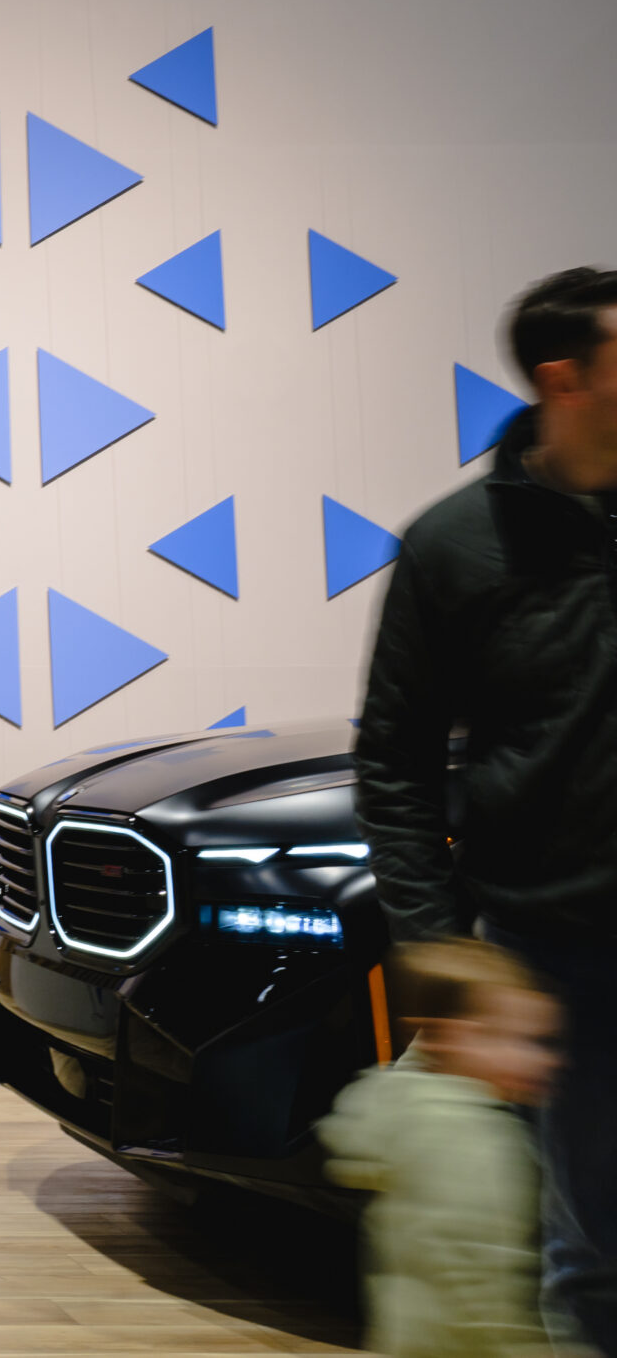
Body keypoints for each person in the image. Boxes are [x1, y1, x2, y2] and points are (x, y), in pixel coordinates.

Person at [355, 266, 617, 1352]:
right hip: (554, 951)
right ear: (565, 380)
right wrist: (437, 954)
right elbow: (395, 763)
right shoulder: (454, 545)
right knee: (590, 1252)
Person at [322, 939, 561, 1358]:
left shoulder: (407, 1109)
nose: (548, 1061)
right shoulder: (471, 1141)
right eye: (526, 1041)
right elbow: (474, 1274)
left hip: (410, 1333)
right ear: (457, 1038)